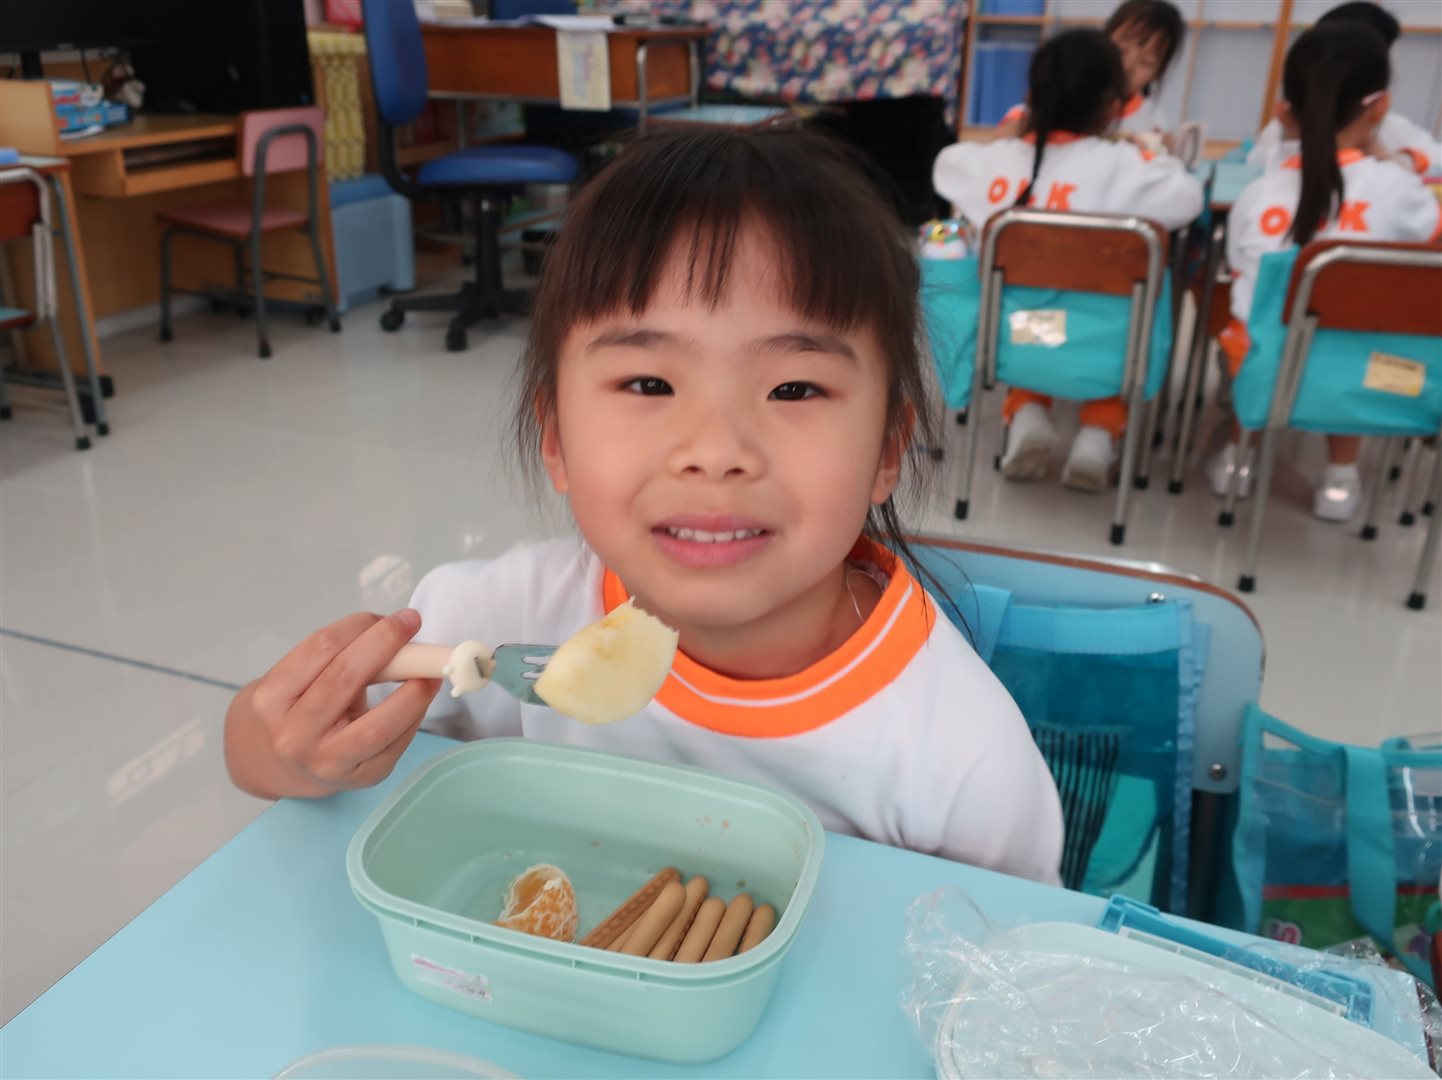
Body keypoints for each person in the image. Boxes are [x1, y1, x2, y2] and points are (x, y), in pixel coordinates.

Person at [223, 129, 1065, 885]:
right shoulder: (500, 620)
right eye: (650, 383)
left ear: (886, 449)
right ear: (556, 437)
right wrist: (293, 752)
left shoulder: (963, 759)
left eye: (794, 388)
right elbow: (254, 747)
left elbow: (1018, 962)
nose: (715, 448)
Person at [934, 29, 1203, 491]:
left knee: (1035, 312)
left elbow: (946, 165)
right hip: (1109, 346)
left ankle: (1027, 414)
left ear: (1032, 97)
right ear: (1113, 106)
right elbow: (1189, 199)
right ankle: (1098, 437)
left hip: (1014, 341)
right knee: (1140, 286)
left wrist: (1004, 139)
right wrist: (1149, 153)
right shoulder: (1123, 166)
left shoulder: (997, 163)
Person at [1210, 23, 1442, 520]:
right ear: (1380, 107)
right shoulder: (1398, 189)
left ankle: (1238, 457)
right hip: (1360, 376)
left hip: (1262, 368)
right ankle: (1341, 476)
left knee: (1256, 328)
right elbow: (1430, 235)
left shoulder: (1256, 194)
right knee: (1356, 338)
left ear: (1285, 111)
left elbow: (1238, 269)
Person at [1247, 2, 1441, 176]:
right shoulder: (1279, 133)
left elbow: (1436, 157)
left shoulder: (1392, 127)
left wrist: (1400, 160)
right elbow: (1258, 163)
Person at [996, 0, 1186, 148]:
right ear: (1100, 43)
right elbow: (1004, 138)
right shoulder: (1069, 93)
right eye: (1121, 50)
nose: (1127, 66)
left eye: (1146, 63)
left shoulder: (1152, 122)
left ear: (1158, 73)